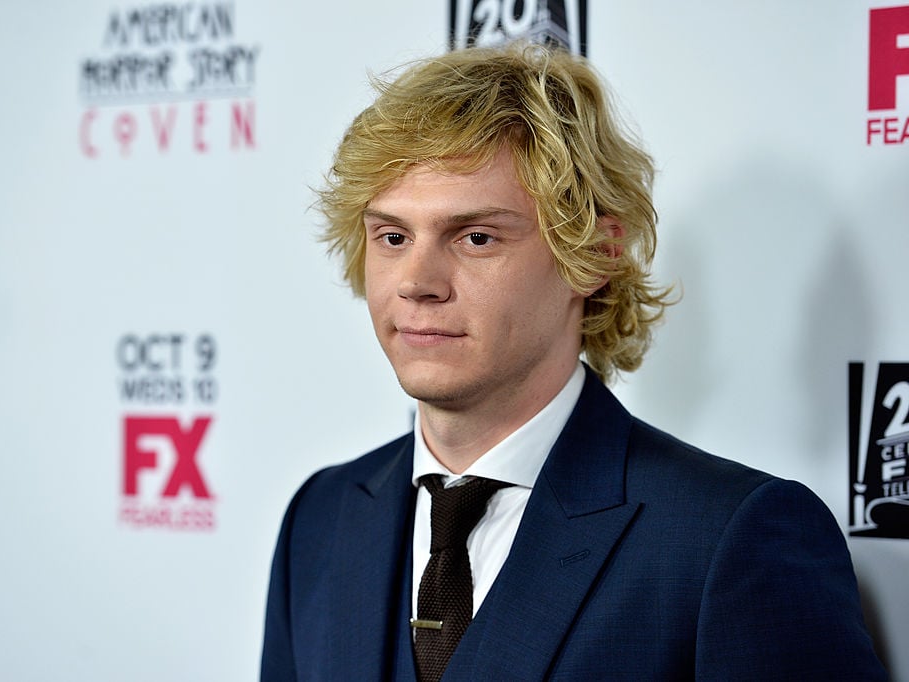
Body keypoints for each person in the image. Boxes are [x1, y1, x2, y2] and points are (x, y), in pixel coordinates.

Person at [261, 43, 887, 680]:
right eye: (392, 237)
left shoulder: (732, 539)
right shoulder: (321, 516)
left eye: (476, 237)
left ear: (592, 254)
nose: (417, 282)